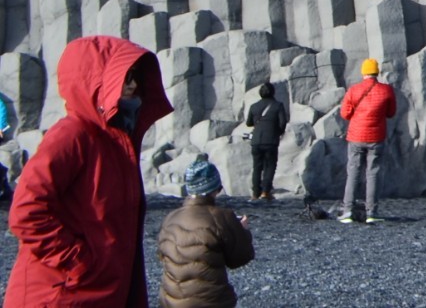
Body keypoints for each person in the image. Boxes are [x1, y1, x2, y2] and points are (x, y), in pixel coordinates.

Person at [4, 34, 173, 308]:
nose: (132, 85)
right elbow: (26, 212)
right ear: (96, 80)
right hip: (60, 293)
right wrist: (78, 262)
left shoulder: (119, 140)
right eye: (124, 76)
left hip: (96, 292)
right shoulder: (71, 135)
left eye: (135, 77)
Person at [157, 157, 256, 307]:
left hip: (171, 302)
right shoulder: (222, 217)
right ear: (214, 189)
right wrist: (243, 232)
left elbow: (161, 256)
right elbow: (239, 258)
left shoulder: (170, 218)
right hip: (210, 302)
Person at [337, 58, 397, 224]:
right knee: (373, 173)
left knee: (353, 172)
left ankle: (347, 210)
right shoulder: (386, 90)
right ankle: (371, 212)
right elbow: (391, 113)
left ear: (363, 72)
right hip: (377, 137)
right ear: (376, 72)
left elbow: (345, 114)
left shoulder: (354, 90)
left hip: (356, 136)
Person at [243, 83, 288, 202]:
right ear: (273, 92)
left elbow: (248, 123)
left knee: (257, 167)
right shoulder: (278, 105)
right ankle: (265, 191)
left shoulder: (254, 106)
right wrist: (278, 132)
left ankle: (255, 193)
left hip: (256, 140)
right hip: (271, 141)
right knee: (270, 166)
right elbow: (283, 123)